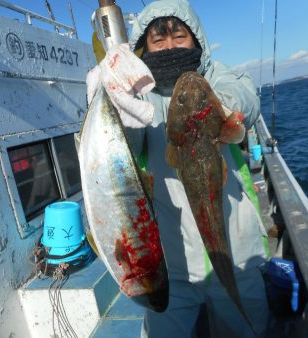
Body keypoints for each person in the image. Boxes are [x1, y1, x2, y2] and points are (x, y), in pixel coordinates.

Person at [88, 1, 270, 337]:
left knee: (249, 327)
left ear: (196, 40)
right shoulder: (140, 93)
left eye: (179, 37)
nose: (170, 47)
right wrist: (113, 98)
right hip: (174, 263)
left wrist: (222, 107)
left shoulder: (214, 77)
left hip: (238, 253)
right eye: (159, 42)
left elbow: (244, 93)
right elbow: (125, 141)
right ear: (145, 47)